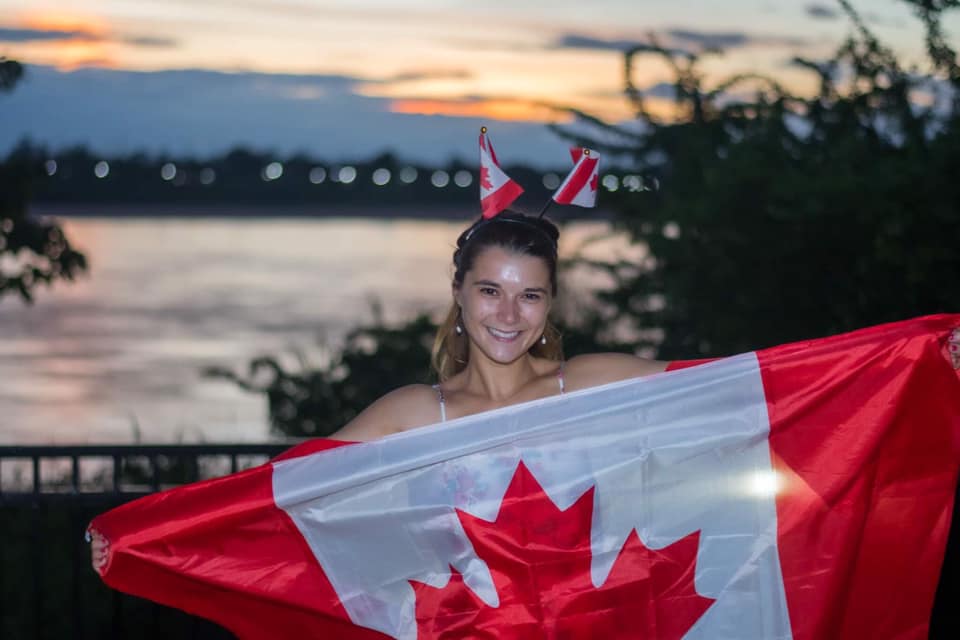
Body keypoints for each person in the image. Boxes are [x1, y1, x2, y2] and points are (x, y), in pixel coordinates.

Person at [89, 209, 960, 569]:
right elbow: (277, 495)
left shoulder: (589, 383)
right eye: (491, 290)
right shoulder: (412, 412)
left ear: (549, 308)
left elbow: (745, 390)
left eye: (530, 293)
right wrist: (140, 535)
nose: (509, 312)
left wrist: (913, 356)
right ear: (460, 296)